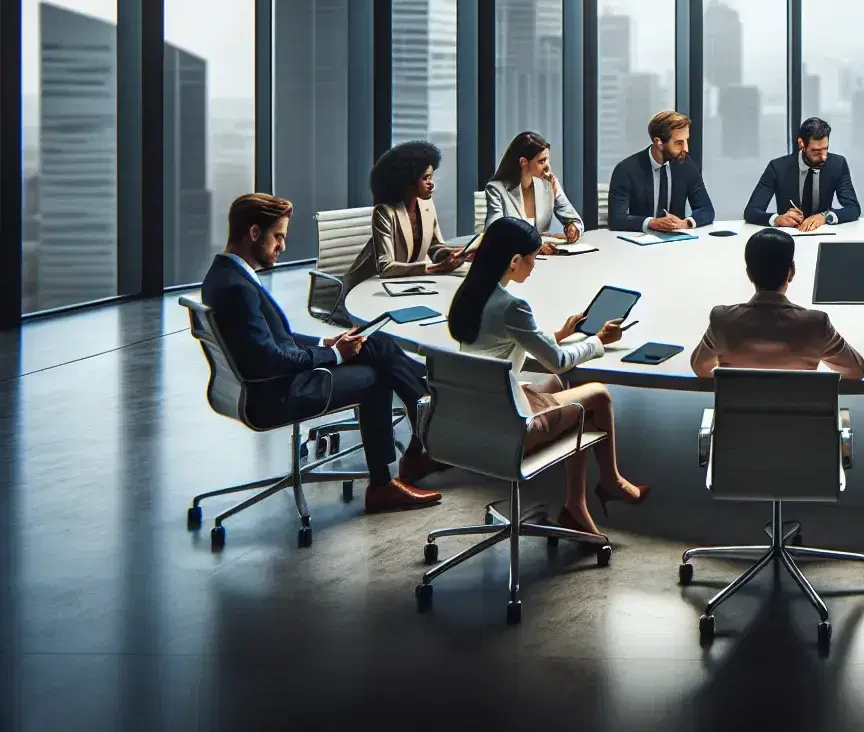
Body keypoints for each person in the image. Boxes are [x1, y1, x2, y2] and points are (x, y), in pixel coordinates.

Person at [202, 193, 442, 512]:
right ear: (254, 233)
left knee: (376, 343)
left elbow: (278, 339)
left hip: (272, 383)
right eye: (278, 237)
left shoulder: (223, 275)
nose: (282, 247)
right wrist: (336, 356)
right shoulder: (237, 289)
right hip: (276, 394)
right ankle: (397, 469)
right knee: (376, 377)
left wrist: (325, 344)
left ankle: (424, 426)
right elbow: (268, 360)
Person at [447, 216, 649, 542]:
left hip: (473, 412)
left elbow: (505, 342)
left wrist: (560, 334)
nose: (535, 266)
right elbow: (557, 362)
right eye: (532, 259)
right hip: (506, 426)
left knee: (558, 386)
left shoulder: (469, 295)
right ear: (514, 261)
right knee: (597, 396)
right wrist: (598, 340)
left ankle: (577, 503)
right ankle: (603, 486)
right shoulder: (512, 307)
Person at [690, 228, 864, 379]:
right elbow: (856, 370)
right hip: (802, 419)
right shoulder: (816, 324)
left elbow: (699, 367)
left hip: (738, 420)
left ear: (749, 274)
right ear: (792, 272)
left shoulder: (722, 320)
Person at [342, 141, 466, 292]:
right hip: (367, 287)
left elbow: (434, 246)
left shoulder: (426, 205)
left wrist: (451, 254)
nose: (431, 184)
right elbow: (386, 268)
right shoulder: (385, 212)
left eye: (431, 177)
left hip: (405, 285)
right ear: (408, 181)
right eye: (425, 178)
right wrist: (436, 268)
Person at [744, 116, 862, 229]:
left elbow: (853, 209)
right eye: (816, 152)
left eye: (826, 149)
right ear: (802, 144)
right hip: (789, 235)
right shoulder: (777, 167)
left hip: (824, 233)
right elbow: (751, 211)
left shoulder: (837, 164)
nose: (824, 157)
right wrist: (777, 219)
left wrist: (825, 217)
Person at [608, 110, 716, 232]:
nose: (686, 149)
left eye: (686, 141)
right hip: (637, 244)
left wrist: (686, 223)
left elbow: (706, 209)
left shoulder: (685, 164)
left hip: (676, 242)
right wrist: (651, 223)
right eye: (678, 143)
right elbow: (616, 219)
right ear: (659, 143)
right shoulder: (626, 170)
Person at [485, 131, 583, 250]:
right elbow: (494, 235)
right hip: (513, 261)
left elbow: (574, 219)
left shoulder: (549, 183)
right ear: (523, 162)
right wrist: (534, 247)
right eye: (541, 161)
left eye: (547, 159)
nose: (547, 166)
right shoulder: (496, 189)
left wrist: (574, 228)